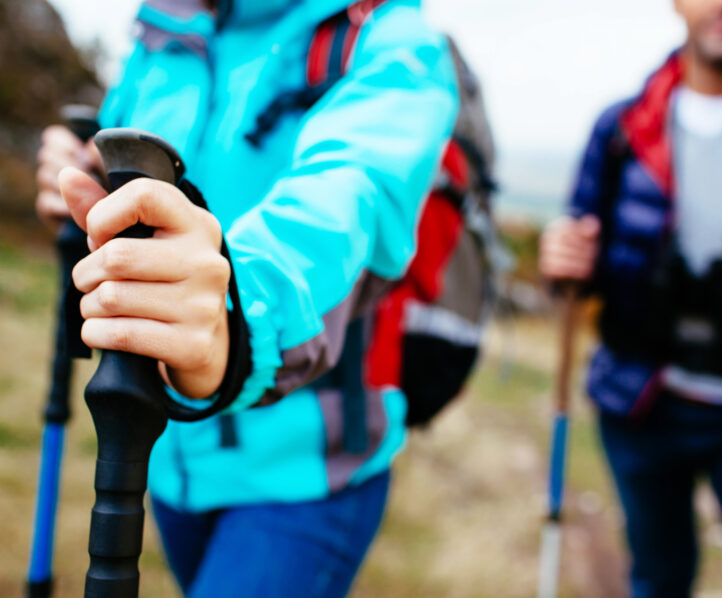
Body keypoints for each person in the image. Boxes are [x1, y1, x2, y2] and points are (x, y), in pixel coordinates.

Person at [35, 0, 458, 596]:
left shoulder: (388, 40)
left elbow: (348, 195)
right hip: (171, 455)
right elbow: (122, 152)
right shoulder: (164, 30)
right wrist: (78, 171)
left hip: (306, 476)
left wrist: (235, 312)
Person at [540, 0, 722, 596]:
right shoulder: (623, 129)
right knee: (657, 576)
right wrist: (562, 261)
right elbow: (579, 265)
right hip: (642, 404)